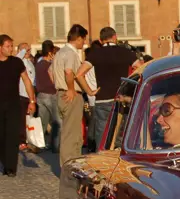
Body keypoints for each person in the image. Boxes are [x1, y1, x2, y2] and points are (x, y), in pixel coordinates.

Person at [77, 27, 137, 150]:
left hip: (102, 99)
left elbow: (79, 74)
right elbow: (141, 68)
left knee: (102, 135)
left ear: (100, 40)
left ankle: (102, 161)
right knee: (120, 135)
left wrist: (90, 91)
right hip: (121, 98)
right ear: (115, 37)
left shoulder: (95, 54)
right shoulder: (125, 52)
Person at [52, 24, 98, 165]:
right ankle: (69, 167)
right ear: (78, 38)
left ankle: (69, 164)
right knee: (72, 135)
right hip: (71, 95)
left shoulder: (60, 52)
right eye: (83, 39)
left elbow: (50, 71)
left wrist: (60, 87)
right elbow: (69, 72)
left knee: (69, 132)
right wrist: (70, 89)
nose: (84, 43)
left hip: (62, 93)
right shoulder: (71, 53)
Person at [0, 35, 35, 177]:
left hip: (14, 104)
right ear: (0, 48)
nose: (11, 49)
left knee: (13, 135)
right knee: (1, 135)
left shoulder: (16, 62)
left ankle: (11, 168)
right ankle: (4, 159)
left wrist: (32, 100)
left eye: (12, 46)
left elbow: (26, 80)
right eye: (8, 46)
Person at [35, 40, 60, 152]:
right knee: (56, 121)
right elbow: (54, 81)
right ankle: (55, 145)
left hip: (40, 95)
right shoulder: (50, 65)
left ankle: (37, 145)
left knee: (42, 122)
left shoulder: (38, 64)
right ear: (50, 51)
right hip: (51, 95)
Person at [16, 43, 37, 152]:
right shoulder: (19, 61)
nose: (28, 51)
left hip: (29, 95)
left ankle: (29, 139)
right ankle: (21, 141)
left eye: (28, 49)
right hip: (20, 94)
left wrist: (33, 97)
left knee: (29, 119)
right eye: (25, 50)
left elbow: (33, 81)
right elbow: (17, 58)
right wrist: (23, 51)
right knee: (21, 120)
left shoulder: (30, 63)